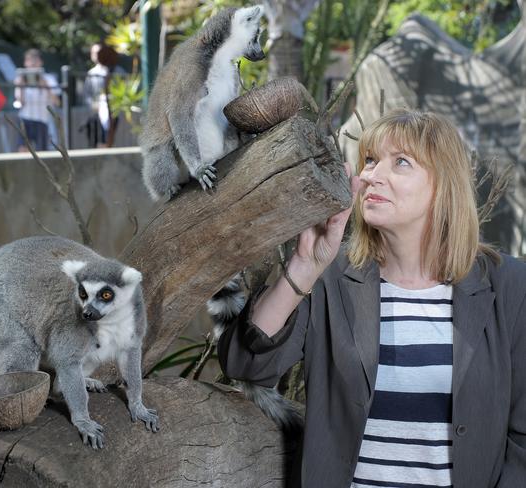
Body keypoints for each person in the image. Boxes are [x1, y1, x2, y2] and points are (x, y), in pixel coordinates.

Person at [218, 109, 526, 487]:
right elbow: (245, 364)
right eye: (370, 160)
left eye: (401, 162)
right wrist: (301, 268)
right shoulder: (330, 277)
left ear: (444, 185)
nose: (372, 176)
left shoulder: (509, 286)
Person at [13, 48, 60, 152]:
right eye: (30, 60)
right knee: (23, 149)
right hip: (24, 118)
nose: (33, 63)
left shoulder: (49, 79)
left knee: (41, 151)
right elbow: (20, 102)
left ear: (41, 62)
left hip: (42, 119)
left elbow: (56, 101)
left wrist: (45, 86)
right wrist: (21, 87)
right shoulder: (20, 79)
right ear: (25, 63)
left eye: (35, 60)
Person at [82, 43, 126, 148]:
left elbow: (124, 90)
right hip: (97, 113)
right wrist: (94, 105)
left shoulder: (118, 71)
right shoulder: (92, 73)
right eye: (93, 53)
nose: (95, 55)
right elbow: (87, 94)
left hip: (115, 112)